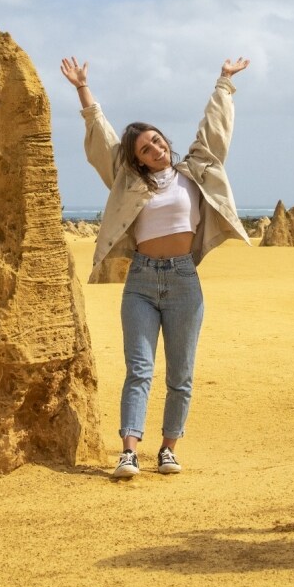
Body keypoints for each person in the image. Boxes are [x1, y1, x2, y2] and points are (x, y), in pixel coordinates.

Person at [61, 55, 250, 480]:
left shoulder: (195, 169)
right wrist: (82, 90)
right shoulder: (126, 180)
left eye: (158, 141)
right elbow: (103, 140)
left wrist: (224, 82)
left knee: (181, 373)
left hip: (185, 280)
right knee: (139, 369)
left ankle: (168, 448)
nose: (156, 149)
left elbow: (213, 129)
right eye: (146, 148)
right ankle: (129, 451)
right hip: (142, 281)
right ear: (139, 160)